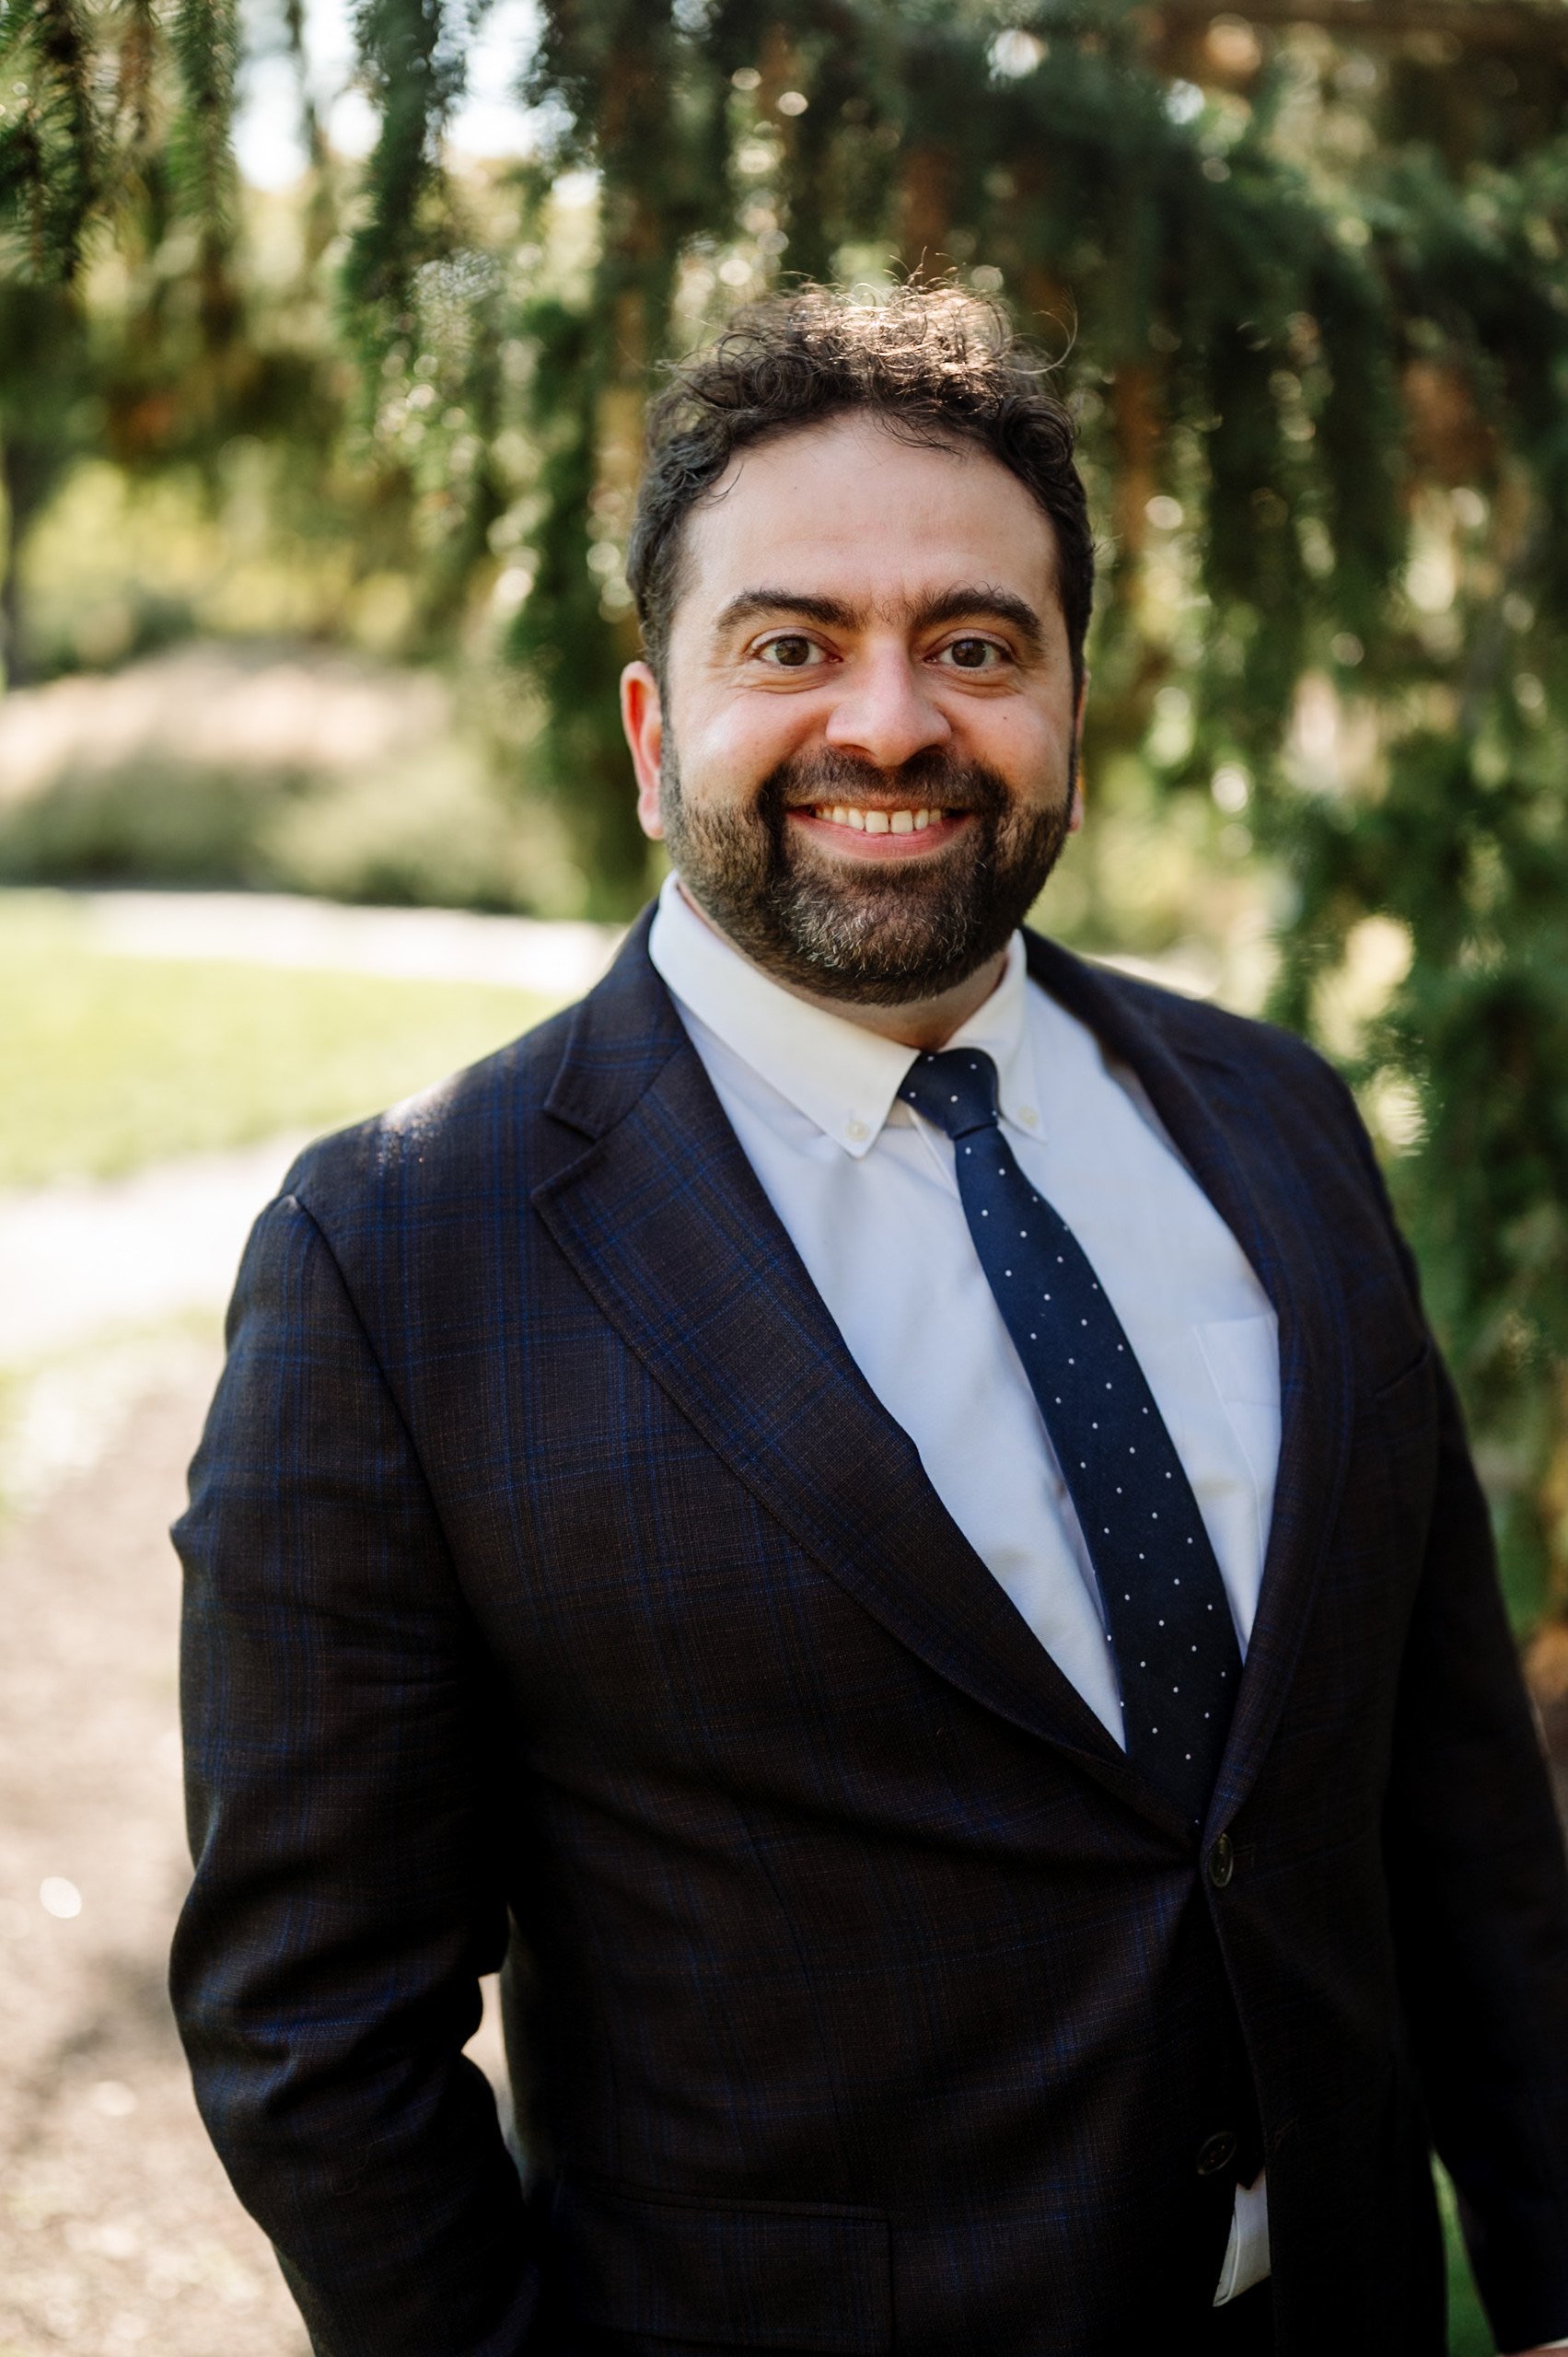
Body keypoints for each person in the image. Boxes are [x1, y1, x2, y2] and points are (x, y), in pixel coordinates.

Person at [170, 284, 1568, 2357]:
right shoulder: (399, 1255)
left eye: (978, 644)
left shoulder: (1278, 1119)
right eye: (793, 642)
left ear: (1073, 706)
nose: (894, 719)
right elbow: (314, 2025)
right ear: (657, 734)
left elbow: (1451, 1795)